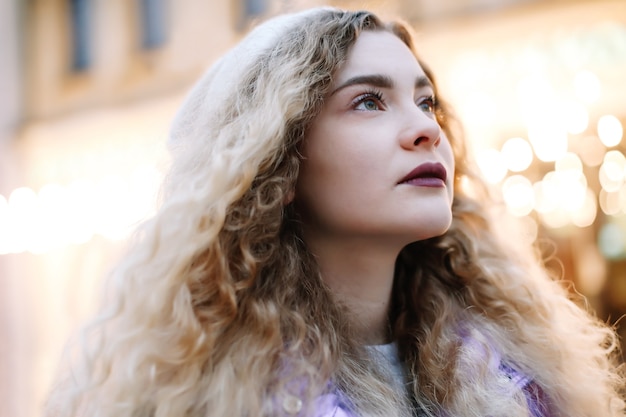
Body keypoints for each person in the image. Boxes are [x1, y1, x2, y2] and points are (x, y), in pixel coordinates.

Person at [45, 7, 624, 417]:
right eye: (369, 102)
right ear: (279, 162)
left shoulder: (521, 380)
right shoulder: (209, 399)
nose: (426, 128)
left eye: (426, 103)